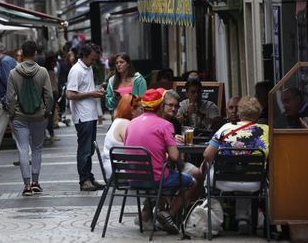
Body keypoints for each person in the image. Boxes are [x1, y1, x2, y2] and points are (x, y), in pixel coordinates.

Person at [124, 88, 196, 234]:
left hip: (131, 178)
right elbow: (175, 157)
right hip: (155, 179)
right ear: (161, 106)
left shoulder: (131, 123)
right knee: (192, 182)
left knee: (167, 173)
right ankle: (168, 214)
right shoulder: (165, 125)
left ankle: (153, 213)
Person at [202, 96, 269, 234]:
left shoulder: (225, 129)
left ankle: (217, 220)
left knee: (213, 171)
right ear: (258, 114)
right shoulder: (267, 131)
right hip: (255, 183)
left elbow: (207, 155)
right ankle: (243, 219)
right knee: (244, 172)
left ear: (239, 112)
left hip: (223, 181)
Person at [6, 40, 53, 196]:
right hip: (39, 116)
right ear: (35, 54)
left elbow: (10, 98)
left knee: (23, 149)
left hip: (20, 117)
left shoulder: (13, 73)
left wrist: (12, 114)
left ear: (21, 53)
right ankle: (35, 182)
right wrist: (47, 111)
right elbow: (49, 95)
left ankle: (26, 185)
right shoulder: (43, 72)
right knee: (37, 148)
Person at [66, 43, 105, 191]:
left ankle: (89, 177)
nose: (93, 62)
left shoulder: (87, 68)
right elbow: (70, 95)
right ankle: (84, 180)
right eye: (92, 59)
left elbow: (84, 89)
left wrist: (95, 91)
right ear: (84, 56)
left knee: (89, 149)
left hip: (90, 113)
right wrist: (91, 94)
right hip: (83, 116)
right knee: (84, 149)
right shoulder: (76, 71)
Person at [0, 42, 19, 166]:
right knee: (18, 131)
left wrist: (7, 101)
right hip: (11, 101)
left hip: (6, 102)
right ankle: (26, 156)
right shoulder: (8, 61)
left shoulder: (5, 62)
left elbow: (9, 82)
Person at [102, 94, 143, 178]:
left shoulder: (119, 121)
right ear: (132, 110)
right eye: (141, 109)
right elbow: (135, 149)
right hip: (118, 171)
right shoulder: (126, 124)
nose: (143, 112)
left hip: (114, 168)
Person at [44, 51, 59, 142]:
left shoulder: (45, 72)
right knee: (50, 115)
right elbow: (53, 86)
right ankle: (51, 134)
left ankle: (47, 133)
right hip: (52, 95)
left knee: (48, 115)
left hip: (47, 95)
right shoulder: (50, 73)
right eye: (53, 62)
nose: (55, 64)